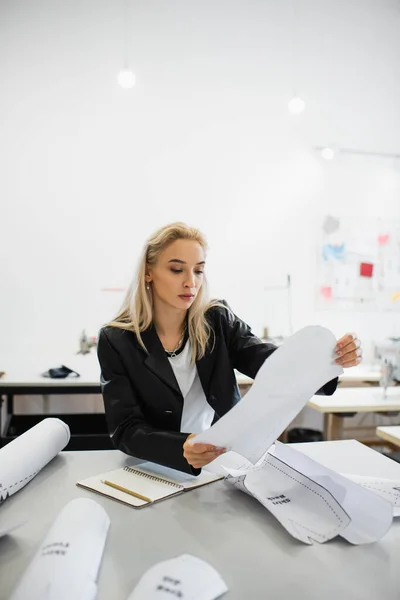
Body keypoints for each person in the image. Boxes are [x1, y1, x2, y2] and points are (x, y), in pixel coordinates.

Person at [97, 222, 362, 474]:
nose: (191, 282)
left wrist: (328, 360)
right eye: (177, 270)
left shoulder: (217, 320)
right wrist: (181, 447)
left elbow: (269, 362)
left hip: (226, 462)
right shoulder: (117, 339)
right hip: (154, 468)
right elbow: (126, 429)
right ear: (148, 273)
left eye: (198, 270)